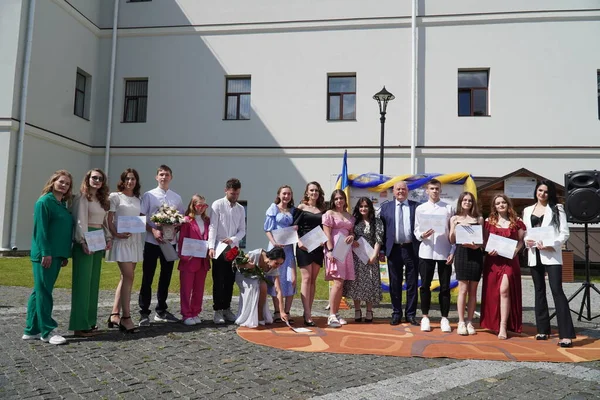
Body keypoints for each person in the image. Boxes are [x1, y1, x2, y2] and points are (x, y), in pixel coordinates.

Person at [22, 170, 74, 345]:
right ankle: (47, 331)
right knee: (44, 292)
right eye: (61, 182)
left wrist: (64, 254)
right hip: (45, 255)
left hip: (57, 254)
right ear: (53, 182)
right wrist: (46, 252)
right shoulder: (44, 202)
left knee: (39, 291)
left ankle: (31, 330)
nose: (64, 185)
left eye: (67, 183)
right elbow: (41, 230)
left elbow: (62, 231)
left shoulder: (61, 205)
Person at [523, 180, 575, 347]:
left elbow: (564, 233)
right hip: (534, 255)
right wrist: (527, 242)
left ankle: (566, 334)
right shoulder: (527, 210)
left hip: (551, 254)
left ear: (549, 193)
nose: (542, 194)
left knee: (556, 290)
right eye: (540, 190)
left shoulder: (557, 209)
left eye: (545, 191)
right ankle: (542, 330)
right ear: (536, 191)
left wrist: (551, 244)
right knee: (539, 291)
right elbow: (526, 232)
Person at [139, 165, 184, 326]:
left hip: (169, 243)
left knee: (165, 277)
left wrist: (175, 227)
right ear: (156, 177)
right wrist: (153, 230)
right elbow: (141, 217)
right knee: (148, 277)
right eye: (161, 174)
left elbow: (181, 218)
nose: (164, 177)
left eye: (166, 175)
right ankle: (144, 312)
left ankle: (161, 310)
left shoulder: (176, 198)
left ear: (171, 177)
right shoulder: (149, 195)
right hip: (152, 242)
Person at [69, 168, 112, 337]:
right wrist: (82, 241)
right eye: (94, 177)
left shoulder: (100, 199)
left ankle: (90, 321)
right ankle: (79, 325)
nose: (97, 180)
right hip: (86, 241)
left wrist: (107, 238)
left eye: (100, 178)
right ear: (87, 179)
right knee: (82, 284)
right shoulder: (82, 197)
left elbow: (103, 222)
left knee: (93, 283)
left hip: (98, 238)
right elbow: (80, 221)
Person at [480, 194, 525, 339]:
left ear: (508, 204)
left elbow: (521, 241)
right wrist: (488, 249)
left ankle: (503, 326)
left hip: (510, 260)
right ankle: (494, 322)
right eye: (498, 203)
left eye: (503, 202)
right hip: (493, 261)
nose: (501, 205)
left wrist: (516, 251)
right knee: (493, 292)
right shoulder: (488, 221)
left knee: (504, 290)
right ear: (494, 206)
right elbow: (485, 241)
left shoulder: (517, 221)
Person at [414, 179, 454, 332]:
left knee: (445, 287)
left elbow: (453, 232)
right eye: (432, 188)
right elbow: (416, 230)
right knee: (425, 286)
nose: (435, 191)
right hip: (426, 251)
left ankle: (444, 318)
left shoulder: (448, 208)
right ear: (427, 191)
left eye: (437, 188)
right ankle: (425, 317)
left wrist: (452, 251)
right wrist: (422, 235)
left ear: (440, 190)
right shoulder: (420, 209)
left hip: (444, 251)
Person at [106, 168, 143, 334]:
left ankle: (115, 313)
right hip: (121, 241)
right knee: (129, 276)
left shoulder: (137, 199)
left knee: (125, 278)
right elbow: (109, 219)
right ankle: (126, 317)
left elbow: (138, 219)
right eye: (127, 179)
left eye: (133, 179)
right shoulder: (115, 197)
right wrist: (116, 234)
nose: (130, 181)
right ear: (123, 180)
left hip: (134, 241)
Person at [379, 181, 421, 326]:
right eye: (398, 189)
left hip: (412, 249)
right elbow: (382, 231)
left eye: (403, 189)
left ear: (407, 190)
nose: (401, 191)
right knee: (394, 283)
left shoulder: (417, 207)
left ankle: (410, 314)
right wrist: (382, 250)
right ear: (393, 191)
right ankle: (396, 313)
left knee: (412, 283)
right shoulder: (386, 208)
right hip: (394, 249)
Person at [208, 178, 246, 325]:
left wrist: (233, 238)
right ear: (226, 191)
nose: (235, 196)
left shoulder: (241, 209)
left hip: (233, 247)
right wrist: (211, 246)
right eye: (232, 194)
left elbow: (243, 230)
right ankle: (217, 310)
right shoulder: (217, 205)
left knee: (230, 280)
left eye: (237, 194)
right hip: (219, 246)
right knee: (219, 279)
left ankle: (226, 308)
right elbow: (213, 227)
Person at [449, 192, 484, 336]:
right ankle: (461, 322)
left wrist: (476, 246)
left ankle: (470, 321)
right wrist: (454, 226)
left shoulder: (479, 219)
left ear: (473, 203)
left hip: (475, 254)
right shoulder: (454, 218)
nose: (467, 202)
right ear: (460, 202)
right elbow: (451, 239)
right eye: (464, 200)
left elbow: (482, 240)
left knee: (473, 290)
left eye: (470, 200)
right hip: (462, 253)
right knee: (463, 289)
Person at [343, 197, 383, 323]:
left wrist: (374, 255)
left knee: (370, 283)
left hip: (370, 256)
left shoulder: (377, 222)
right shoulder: (354, 221)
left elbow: (378, 239)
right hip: (356, 256)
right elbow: (350, 234)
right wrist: (352, 239)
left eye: (366, 206)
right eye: (361, 206)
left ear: (370, 207)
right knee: (357, 283)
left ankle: (369, 311)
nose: (363, 209)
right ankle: (357, 310)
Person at [293, 181, 327, 327]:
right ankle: (307, 314)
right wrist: (298, 242)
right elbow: (293, 227)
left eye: (316, 191)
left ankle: (309, 310)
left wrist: (324, 241)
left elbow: (325, 228)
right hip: (304, 247)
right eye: (311, 190)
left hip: (317, 246)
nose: (314, 193)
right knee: (306, 279)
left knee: (313, 280)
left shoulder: (323, 209)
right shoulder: (301, 207)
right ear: (307, 192)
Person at [322, 189, 355, 328]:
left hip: (346, 250)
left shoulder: (349, 215)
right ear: (333, 200)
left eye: (341, 198)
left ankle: (336, 313)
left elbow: (351, 232)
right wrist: (330, 250)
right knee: (337, 282)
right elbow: (327, 233)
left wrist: (352, 236)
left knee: (341, 283)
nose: (339, 201)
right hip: (334, 249)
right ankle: (331, 315)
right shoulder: (329, 214)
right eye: (336, 199)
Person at [264, 185, 297, 323]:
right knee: (276, 279)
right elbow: (267, 229)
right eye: (284, 194)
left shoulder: (294, 210)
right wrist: (274, 242)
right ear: (279, 194)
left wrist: (295, 228)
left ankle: (287, 312)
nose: (286, 196)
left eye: (289, 194)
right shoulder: (273, 208)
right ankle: (278, 311)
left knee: (291, 279)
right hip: (275, 248)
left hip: (288, 249)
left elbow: (296, 227)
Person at [177, 194, 211, 326]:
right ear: (193, 205)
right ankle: (186, 314)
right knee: (186, 288)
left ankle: (195, 312)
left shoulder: (207, 220)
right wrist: (184, 256)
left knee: (199, 288)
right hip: (189, 259)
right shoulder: (187, 220)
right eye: (199, 205)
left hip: (203, 260)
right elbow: (181, 239)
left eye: (204, 205)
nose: (202, 208)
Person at [234, 247, 287, 328]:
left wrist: (282, 311)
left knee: (263, 285)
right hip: (243, 275)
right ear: (270, 258)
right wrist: (247, 265)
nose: (278, 266)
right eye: (277, 263)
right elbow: (237, 263)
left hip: (256, 278)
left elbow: (278, 290)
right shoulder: (255, 254)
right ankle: (250, 316)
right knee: (255, 284)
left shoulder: (274, 268)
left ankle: (260, 312)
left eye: (281, 264)